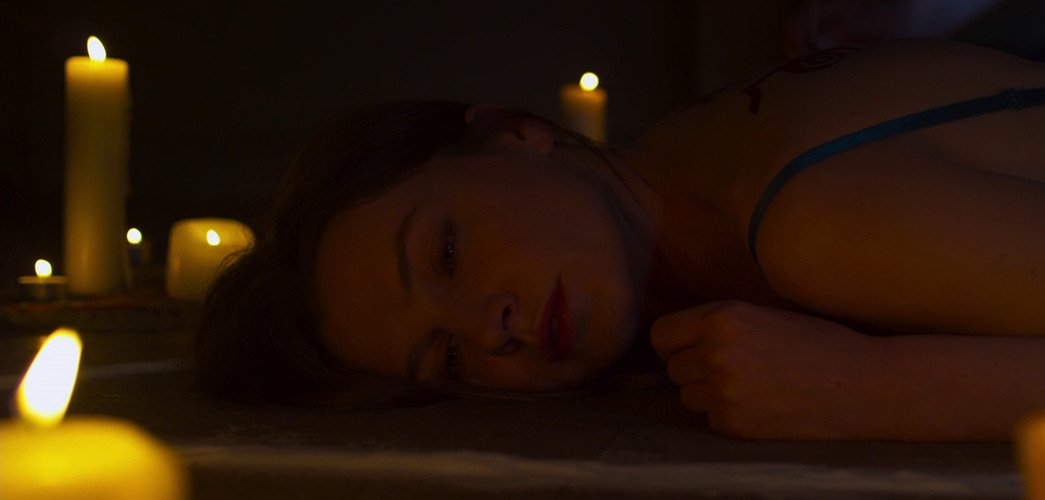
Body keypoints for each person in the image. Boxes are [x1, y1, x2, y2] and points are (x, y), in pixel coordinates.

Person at [196, 38, 1045, 441]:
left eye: (445, 255)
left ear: (514, 133)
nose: (491, 329)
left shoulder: (810, 220)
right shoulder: (700, 166)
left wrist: (868, 390)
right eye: (447, 358)